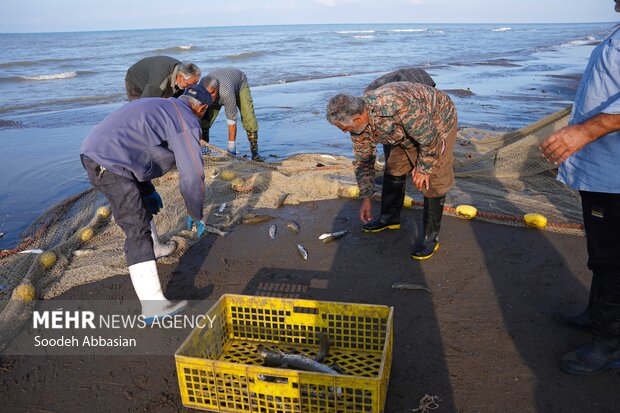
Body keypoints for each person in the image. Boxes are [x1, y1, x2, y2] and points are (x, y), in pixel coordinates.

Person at [80, 84, 212, 322]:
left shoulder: (162, 104)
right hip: (109, 163)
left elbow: (137, 148)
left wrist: (148, 189)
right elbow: (192, 174)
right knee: (135, 227)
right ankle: (152, 306)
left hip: (95, 150)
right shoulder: (188, 120)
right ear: (201, 108)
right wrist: (195, 212)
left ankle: (157, 248)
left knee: (142, 204)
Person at [540, 2, 620, 376]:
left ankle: (608, 344)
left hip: (615, 176)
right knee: (602, 253)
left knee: (614, 260)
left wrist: (586, 130)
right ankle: (596, 315)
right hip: (600, 172)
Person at [326, 81, 457, 260]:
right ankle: (389, 218)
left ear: (357, 119)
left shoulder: (396, 105)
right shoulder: (358, 125)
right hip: (402, 131)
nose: (344, 132)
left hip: (438, 121)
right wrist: (366, 198)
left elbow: (429, 139)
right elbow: (364, 161)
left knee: (433, 178)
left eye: (343, 128)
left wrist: (424, 168)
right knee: (395, 166)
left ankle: (430, 238)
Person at [199, 68, 264, 161]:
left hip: (239, 83)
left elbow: (231, 121)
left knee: (248, 117)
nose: (209, 96)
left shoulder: (226, 93)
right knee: (204, 121)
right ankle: (204, 151)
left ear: (217, 88)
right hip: (223, 80)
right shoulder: (200, 90)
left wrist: (231, 147)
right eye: (206, 93)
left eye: (212, 93)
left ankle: (255, 152)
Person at [125, 56, 201, 101]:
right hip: (135, 79)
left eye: (194, 84)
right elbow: (145, 102)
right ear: (179, 77)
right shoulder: (159, 81)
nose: (190, 87)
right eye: (188, 84)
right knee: (139, 108)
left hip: (157, 75)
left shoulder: (183, 70)